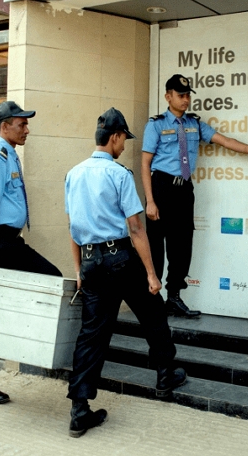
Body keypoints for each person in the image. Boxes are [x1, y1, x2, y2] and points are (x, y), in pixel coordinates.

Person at [65, 107, 186, 438]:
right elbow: (135, 228)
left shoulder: (73, 174)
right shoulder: (118, 175)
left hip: (90, 263)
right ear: (115, 137)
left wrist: (79, 270)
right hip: (120, 260)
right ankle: (165, 375)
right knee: (153, 313)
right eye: (123, 139)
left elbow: (73, 227)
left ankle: (79, 409)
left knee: (91, 336)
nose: (124, 145)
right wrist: (151, 273)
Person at [142, 75, 248, 318]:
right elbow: (145, 163)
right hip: (161, 187)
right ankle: (152, 301)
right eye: (181, 95)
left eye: (188, 95)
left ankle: (173, 297)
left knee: (182, 245)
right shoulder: (157, 125)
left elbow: (225, 141)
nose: (186, 100)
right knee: (155, 246)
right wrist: (150, 200)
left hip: (184, 189)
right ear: (168, 96)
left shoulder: (195, 124)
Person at [0, 100, 62, 404]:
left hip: (7, 239)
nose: (27, 129)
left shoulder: (8, 154)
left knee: (47, 279)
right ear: (5, 126)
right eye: (22, 124)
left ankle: (24, 348)